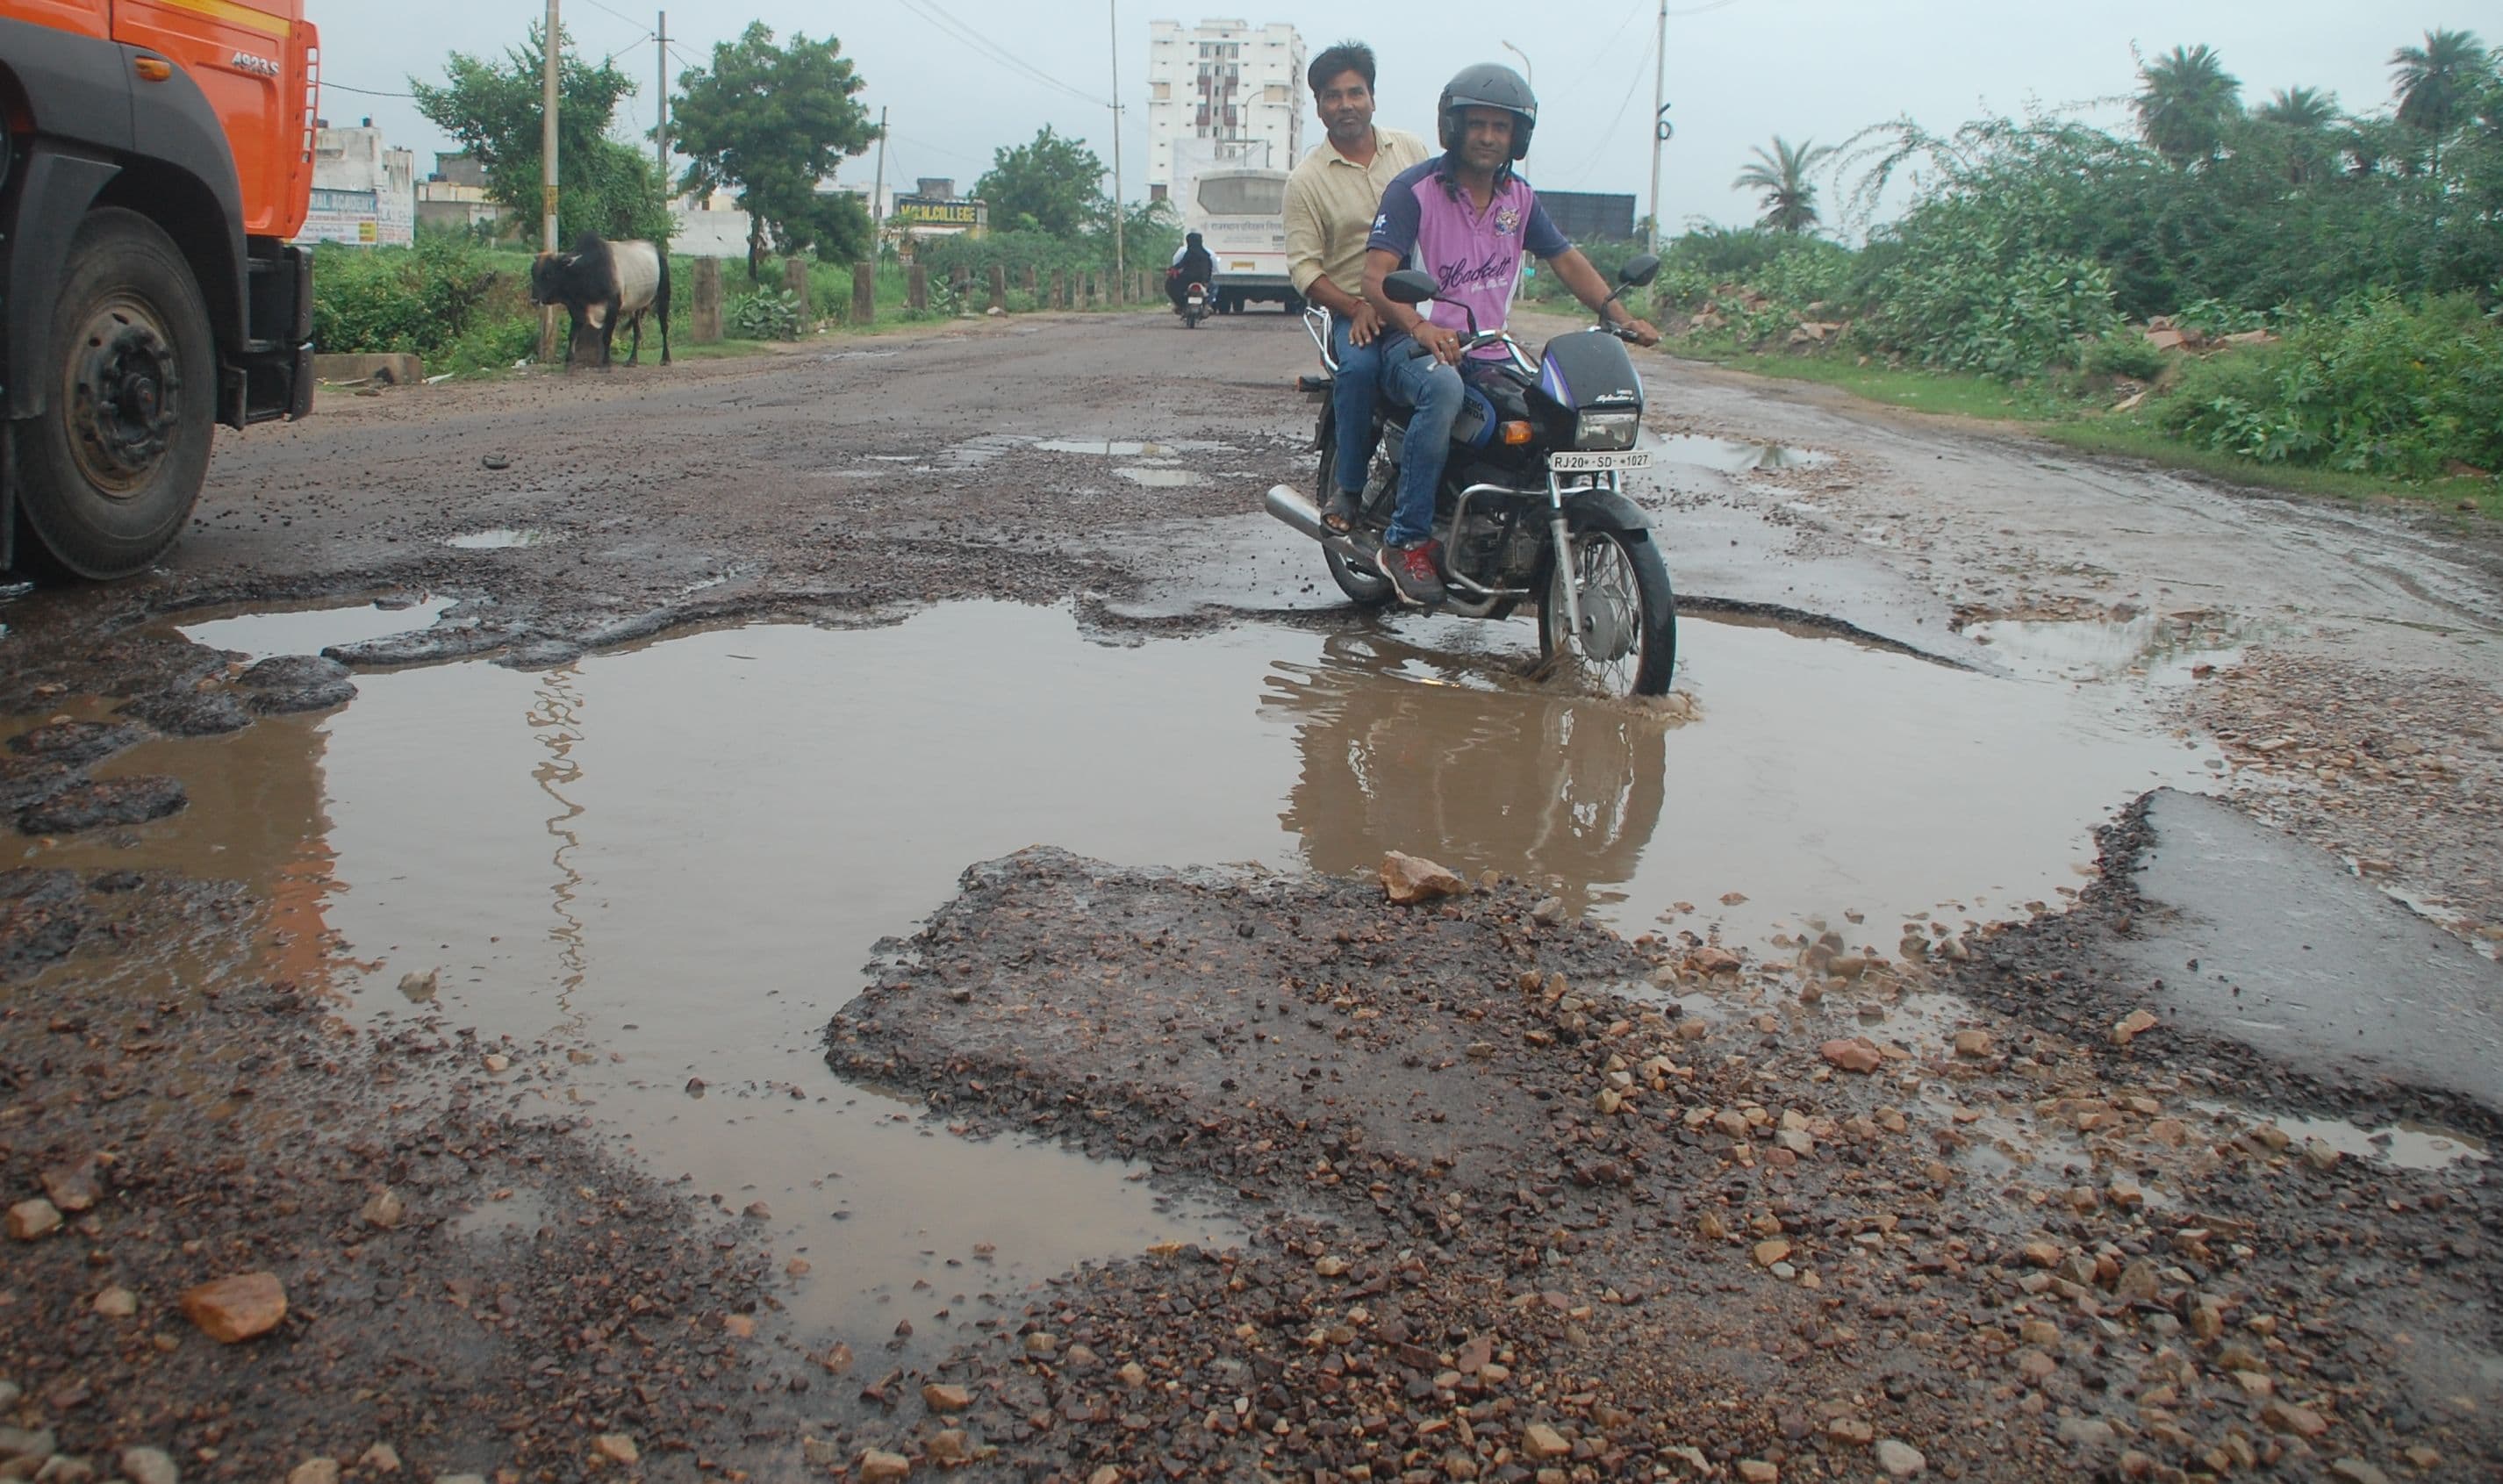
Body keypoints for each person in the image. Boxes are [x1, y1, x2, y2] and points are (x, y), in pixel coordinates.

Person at [1361, 64, 1660, 605]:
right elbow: (1376, 278)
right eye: (1477, 125)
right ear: (1453, 128)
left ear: (1517, 137)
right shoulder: (1414, 191)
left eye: (1501, 128)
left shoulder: (1518, 198)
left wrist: (1618, 314)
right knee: (1445, 391)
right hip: (1412, 344)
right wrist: (1421, 324)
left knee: (1544, 412)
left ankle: (1524, 529)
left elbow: (1565, 259)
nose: (1488, 137)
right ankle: (1405, 541)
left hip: (1487, 348)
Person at [1282, 41, 1431, 533]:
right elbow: (1304, 270)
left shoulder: (1410, 151)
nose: (1345, 104)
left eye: (1355, 93)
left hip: (1421, 301)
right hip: (1355, 313)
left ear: (1372, 97)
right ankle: (1347, 488)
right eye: (1332, 96)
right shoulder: (1306, 180)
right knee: (1360, 371)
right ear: (1319, 106)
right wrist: (1354, 305)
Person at [1166, 231, 1216, 314]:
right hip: (1203, 280)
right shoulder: (1207, 255)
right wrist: (1207, 280)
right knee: (1214, 286)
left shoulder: (1189, 253)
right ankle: (1207, 305)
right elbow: (1210, 269)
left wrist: (1172, 269)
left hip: (1186, 279)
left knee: (1170, 284)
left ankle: (1179, 305)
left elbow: (1181, 264)